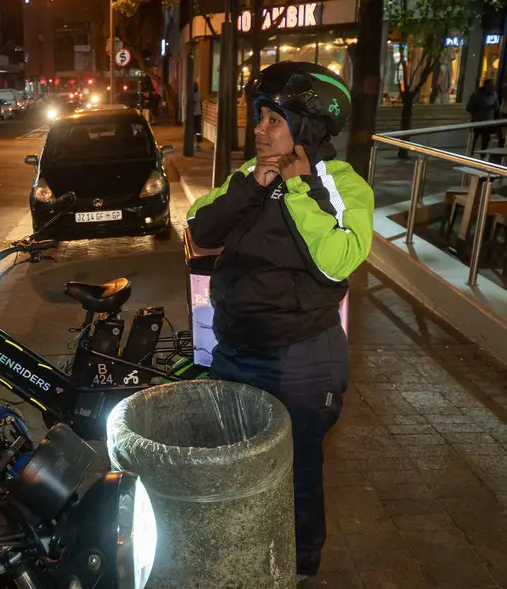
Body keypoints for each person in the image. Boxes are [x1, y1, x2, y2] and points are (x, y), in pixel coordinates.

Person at [186, 61, 374, 583]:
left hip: (301, 360)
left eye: (274, 119)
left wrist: (297, 190)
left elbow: (338, 260)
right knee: (232, 465)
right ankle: (241, 556)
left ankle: (299, 567)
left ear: (307, 127)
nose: (260, 129)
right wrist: (252, 186)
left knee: (296, 472)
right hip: (234, 350)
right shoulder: (250, 174)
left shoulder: (342, 184)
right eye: (260, 117)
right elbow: (200, 230)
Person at [467, 79, 498, 156]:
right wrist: (477, 114)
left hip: (488, 123)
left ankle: (483, 156)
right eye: (490, 86)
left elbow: (496, 107)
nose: (492, 88)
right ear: (485, 86)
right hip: (477, 122)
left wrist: (494, 108)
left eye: (493, 86)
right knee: (474, 139)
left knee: (485, 141)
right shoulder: (476, 95)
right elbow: (469, 107)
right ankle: (470, 154)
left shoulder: (494, 95)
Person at [193, 81, 203, 149]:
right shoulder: (199, 94)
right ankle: (197, 144)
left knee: (197, 130)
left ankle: (197, 144)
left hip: (196, 114)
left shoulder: (198, 95)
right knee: (197, 130)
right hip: (197, 114)